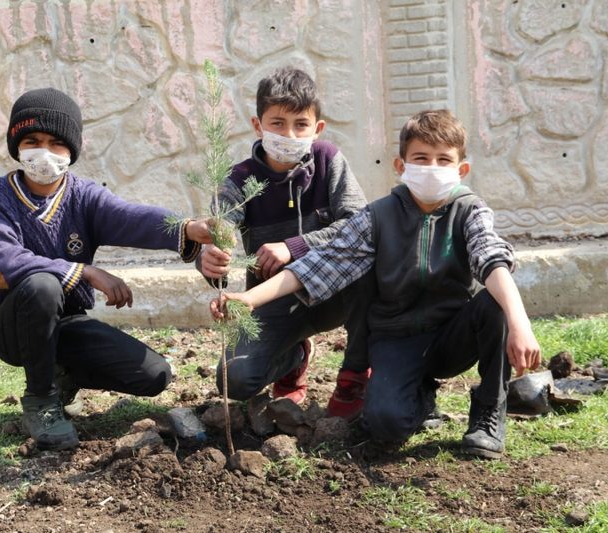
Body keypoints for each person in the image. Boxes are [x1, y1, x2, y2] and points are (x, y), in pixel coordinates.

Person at [211, 109, 541, 459]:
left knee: (497, 303)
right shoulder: (378, 216)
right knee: (386, 425)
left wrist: (520, 323)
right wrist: (249, 299)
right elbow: (320, 264)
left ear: (461, 170)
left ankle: (488, 414)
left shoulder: (470, 211)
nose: (432, 168)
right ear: (400, 166)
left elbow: (491, 259)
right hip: (396, 337)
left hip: (450, 335)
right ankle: (418, 394)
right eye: (421, 158)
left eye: (443, 160)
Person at [0, 88, 211, 450]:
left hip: (67, 323)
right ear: (16, 146)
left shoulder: (83, 197)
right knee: (42, 286)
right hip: (12, 325)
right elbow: (4, 261)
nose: (44, 152)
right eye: (32, 141)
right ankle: (42, 399)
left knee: (154, 375)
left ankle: (61, 374)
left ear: (72, 149)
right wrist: (85, 272)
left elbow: (130, 217)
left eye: (56, 143)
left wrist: (186, 228)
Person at [198, 67, 375, 419]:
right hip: (273, 300)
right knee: (233, 380)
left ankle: (354, 375)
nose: (289, 133)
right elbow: (219, 227)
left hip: (334, 295)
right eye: (277, 123)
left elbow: (359, 226)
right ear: (257, 124)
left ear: (317, 129)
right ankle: (294, 357)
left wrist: (293, 246)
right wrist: (211, 252)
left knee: (371, 266)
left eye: (300, 124)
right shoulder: (240, 179)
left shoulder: (328, 161)